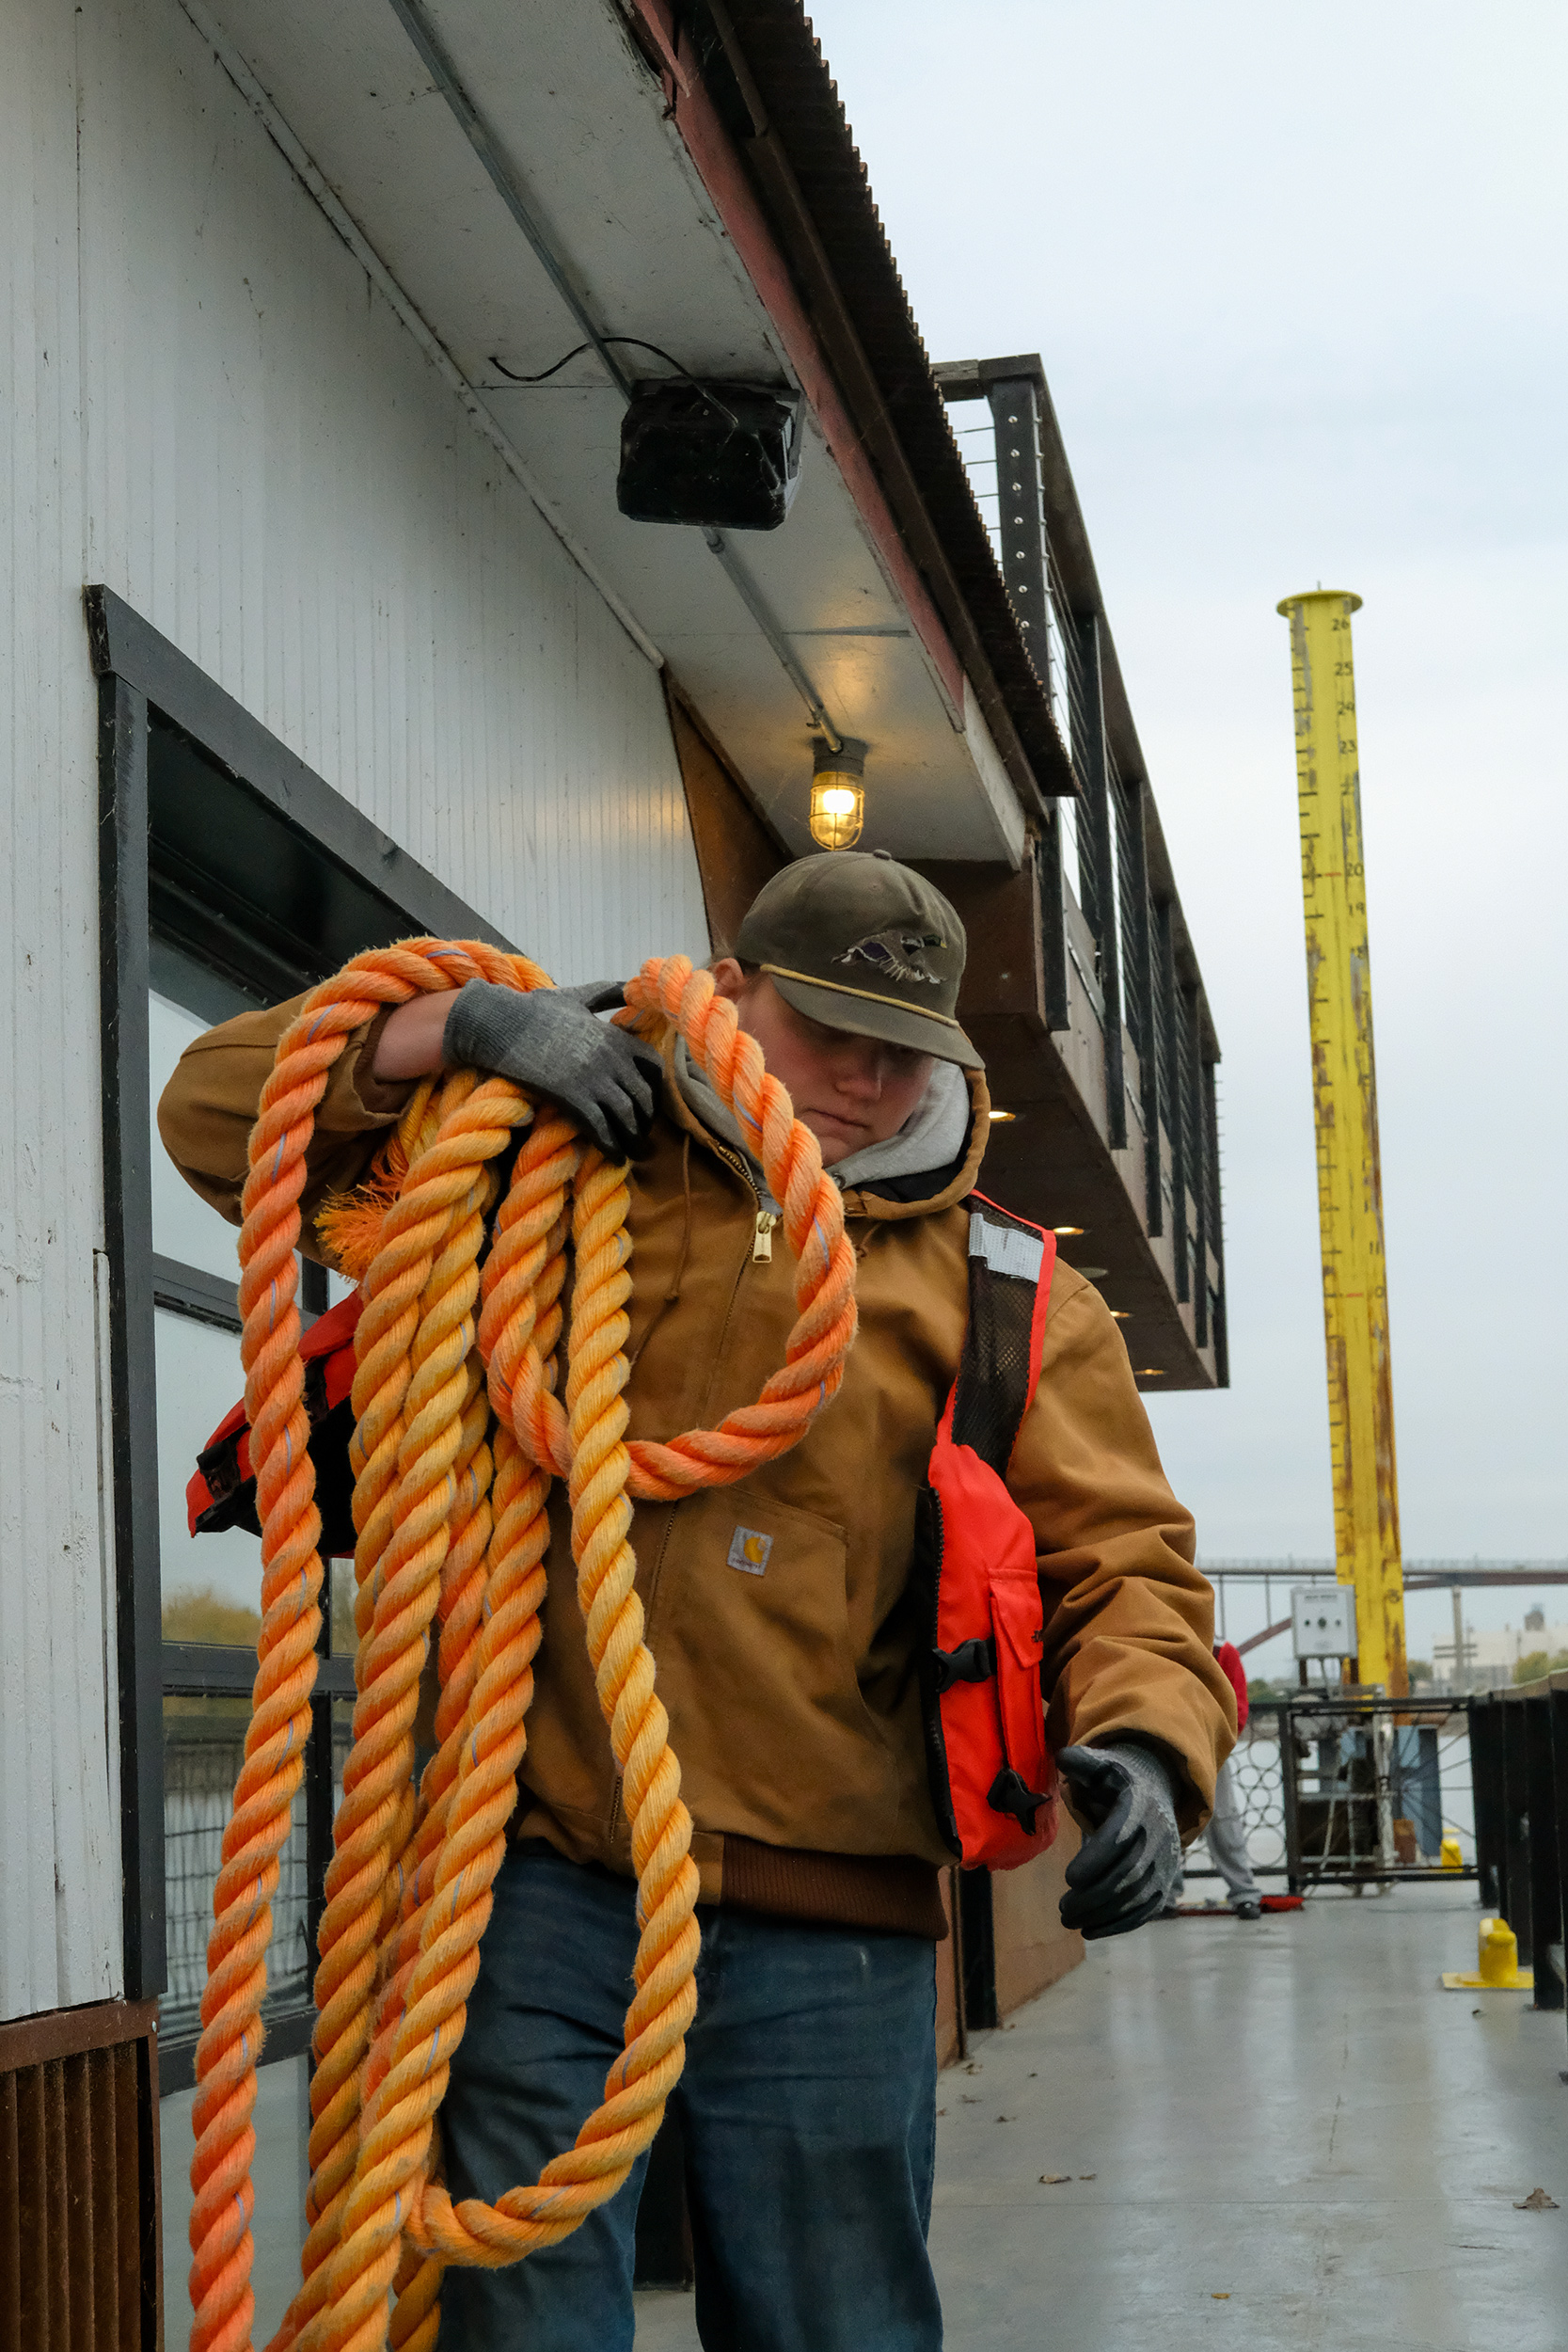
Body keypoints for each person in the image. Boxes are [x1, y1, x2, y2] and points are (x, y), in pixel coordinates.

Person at [160, 851, 1235, 2352]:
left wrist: (1147, 1752)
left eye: (897, 1046)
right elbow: (219, 1117)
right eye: (822, 1030)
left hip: (834, 1917)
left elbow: (1122, 1569)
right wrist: (455, 1029)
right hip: (531, 1869)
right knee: (520, 2318)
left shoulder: (1007, 1294)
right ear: (728, 988)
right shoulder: (545, 1158)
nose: (859, 1079)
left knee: (832, 2326)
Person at [1170, 1641, 1260, 1919]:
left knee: (1223, 1821)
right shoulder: (1168, 1647)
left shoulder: (1223, 1654)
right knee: (1168, 1820)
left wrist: (1218, 1745)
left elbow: (1237, 1707)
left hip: (1212, 1751)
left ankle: (1244, 1893)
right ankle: (1165, 1896)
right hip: (1171, 1747)